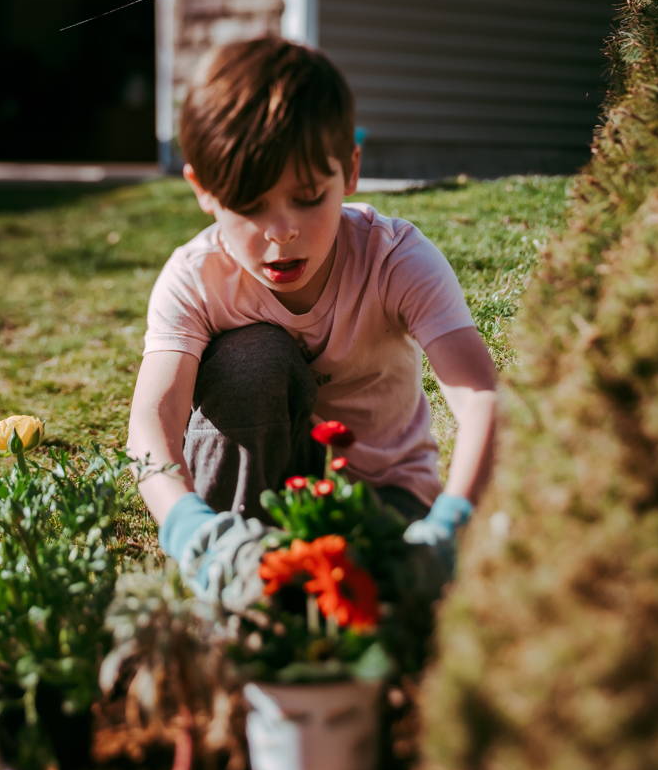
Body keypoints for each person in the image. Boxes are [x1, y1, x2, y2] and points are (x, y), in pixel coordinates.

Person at [126, 36, 497, 607]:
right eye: (249, 206)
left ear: (349, 170)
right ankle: (236, 584)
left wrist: (451, 520)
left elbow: (480, 399)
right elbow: (153, 420)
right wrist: (190, 527)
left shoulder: (393, 258)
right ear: (204, 190)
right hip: (251, 511)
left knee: (379, 618)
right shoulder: (197, 278)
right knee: (252, 359)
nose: (281, 233)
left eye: (307, 197)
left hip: (383, 500)